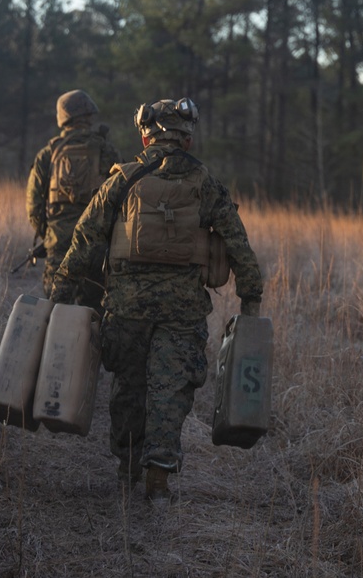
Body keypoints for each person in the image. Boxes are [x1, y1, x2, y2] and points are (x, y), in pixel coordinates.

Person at [49, 97, 263, 502]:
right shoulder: (205, 182)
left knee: (130, 384)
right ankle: (159, 478)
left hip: (127, 308)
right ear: (185, 138)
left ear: (145, 135)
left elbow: (85, 237)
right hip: (181, 312)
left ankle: (127, 465)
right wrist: (250, 298)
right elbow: (238, 243)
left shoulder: (123, 179)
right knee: (170, 388)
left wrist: (63, 288)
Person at [25, 89, 122, 310]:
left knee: (56, 313)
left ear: (63, 118)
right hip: (96, 249)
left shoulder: (48, 154)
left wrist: (49, 235)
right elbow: (122, 201)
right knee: (93, 316)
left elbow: (34, 206)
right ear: (89, 116)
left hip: (59, 248)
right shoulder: (107, 150)